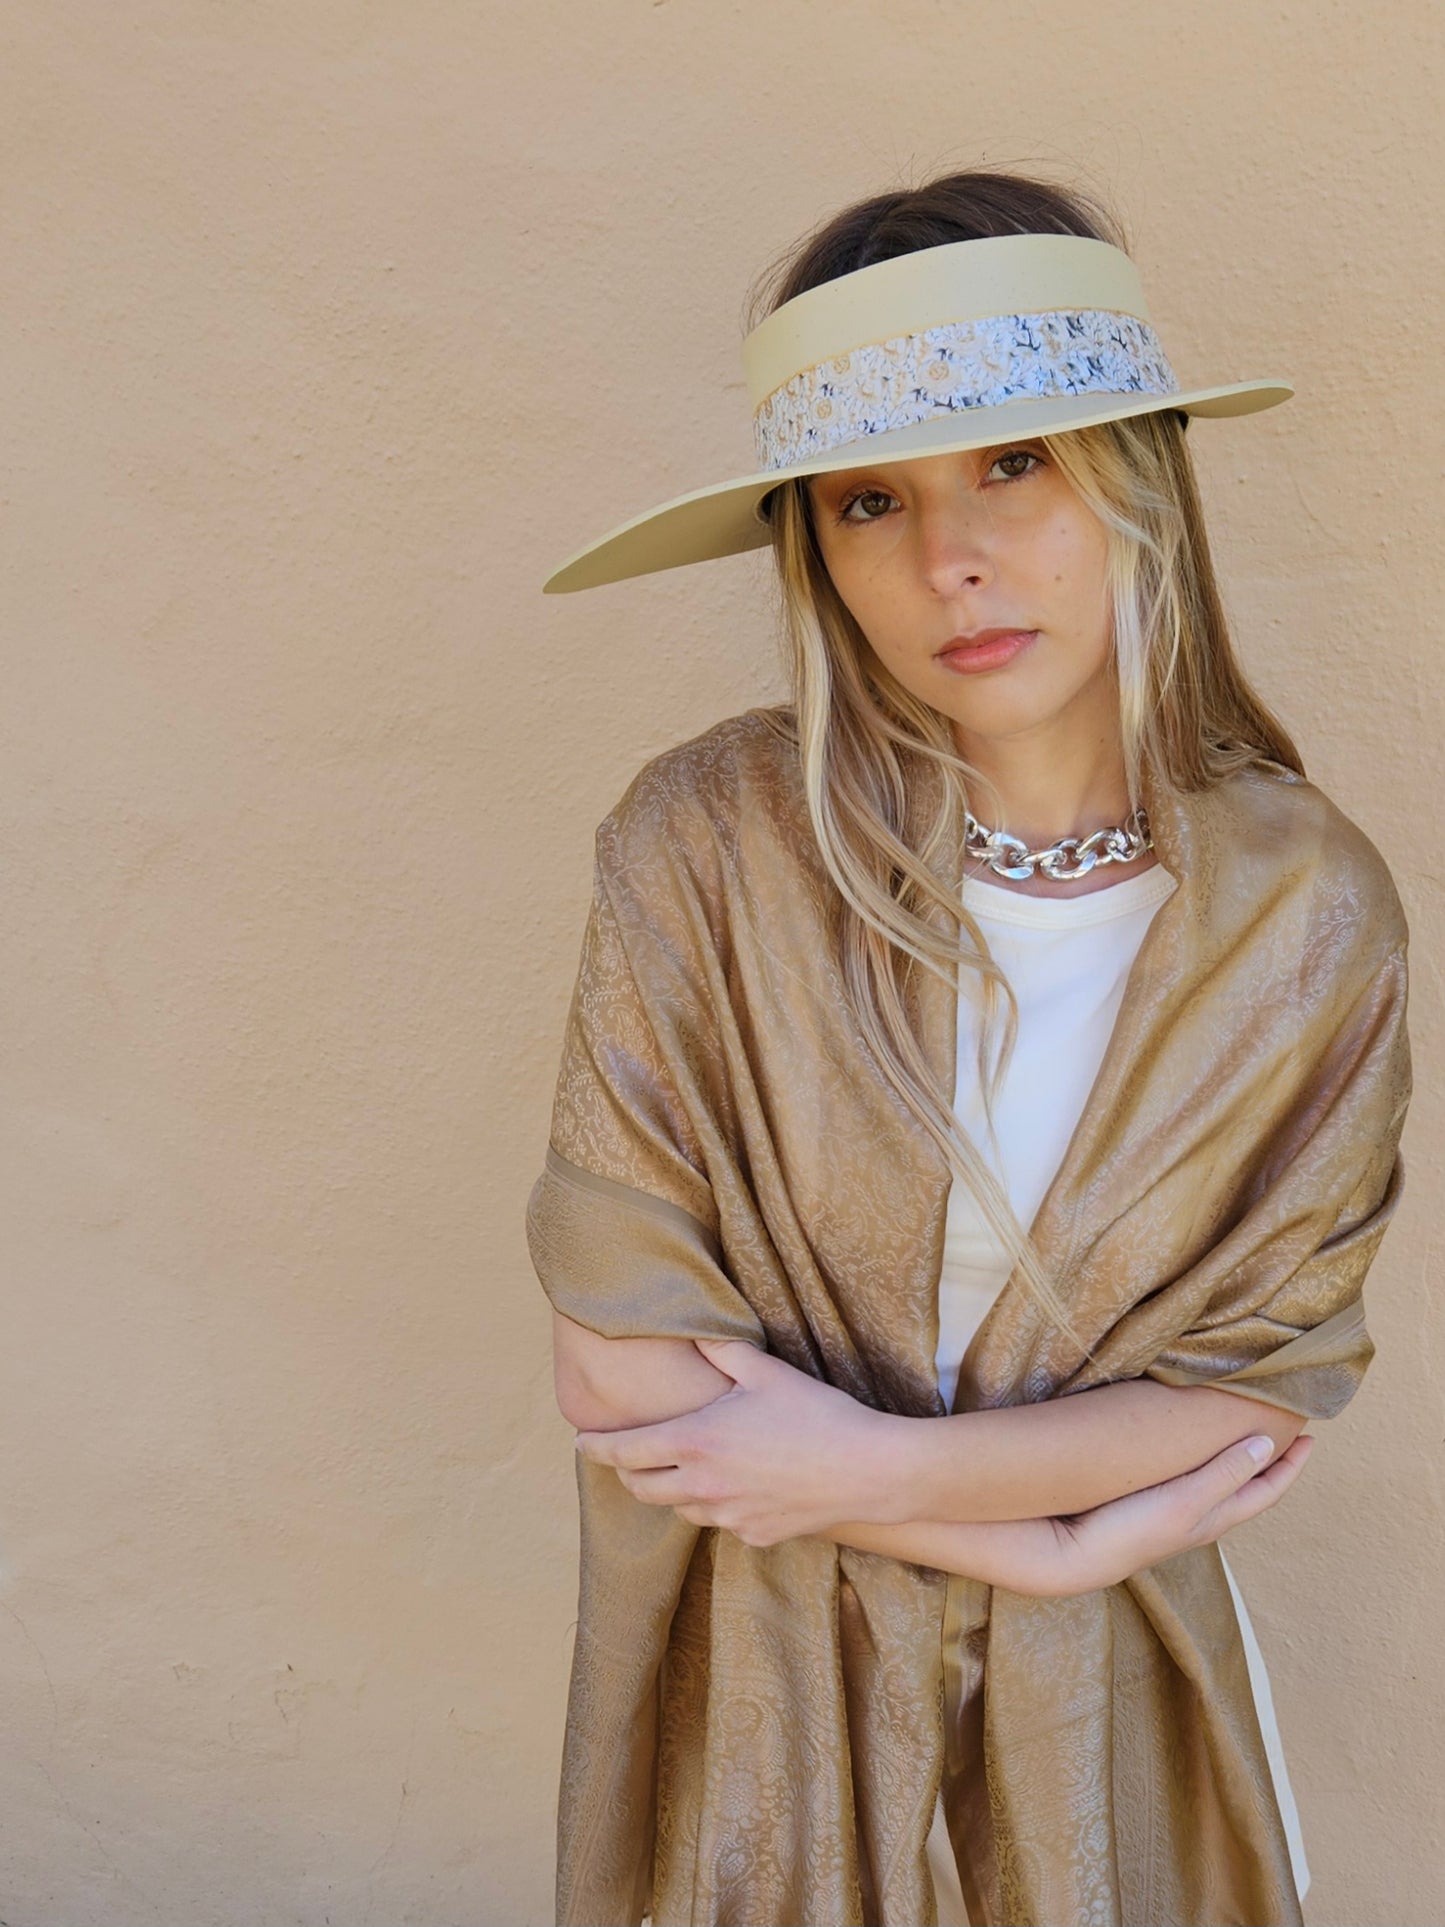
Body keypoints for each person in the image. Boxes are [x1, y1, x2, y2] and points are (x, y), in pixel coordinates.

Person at [525, 169, 1411, 1927]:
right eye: (870, 502)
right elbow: (616, 1358)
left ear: (1136, 474)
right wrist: (1042, 1538)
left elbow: (1244, 1397)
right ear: (814, 554)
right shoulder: (704, 845)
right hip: (763, 1675)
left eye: (1015, 462)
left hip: (1117, 1704)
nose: (951, 563)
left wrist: (866, 1474)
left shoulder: (1302, 908)